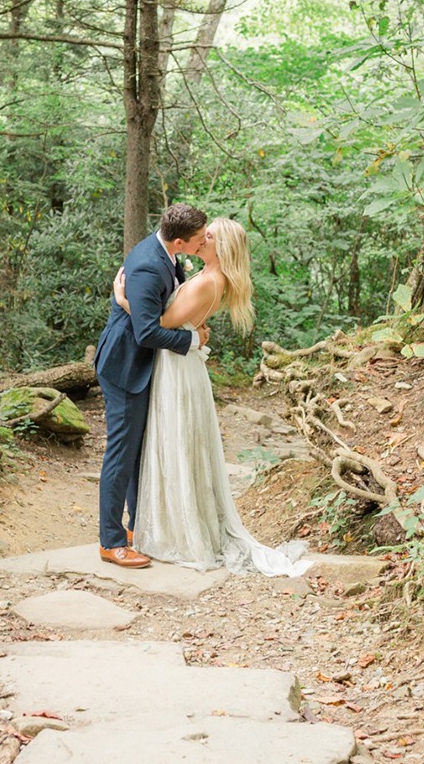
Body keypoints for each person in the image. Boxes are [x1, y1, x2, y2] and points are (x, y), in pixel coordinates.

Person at [114, 218, 310, 577]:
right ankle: (170, 522)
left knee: (176, 443)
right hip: (179, 365)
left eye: (211, 236)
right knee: (177, 444)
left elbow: (161, 323)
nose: (203, 239)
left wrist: (124, 300)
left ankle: (180, 532)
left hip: (178, 371)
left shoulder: (207, 282)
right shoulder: (209, 278)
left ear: (223, 247)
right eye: (204, 234)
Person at [94, 203, 210, 569]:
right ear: (179, 240)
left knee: (138, 450)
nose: (204, 240)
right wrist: (192, 342)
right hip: (126, 366)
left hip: (142, 364)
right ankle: (110, 541)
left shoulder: (167, 253)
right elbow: (146, 333)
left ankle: (138, 525)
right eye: (199, 238)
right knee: (122, 451)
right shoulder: (147, 264)